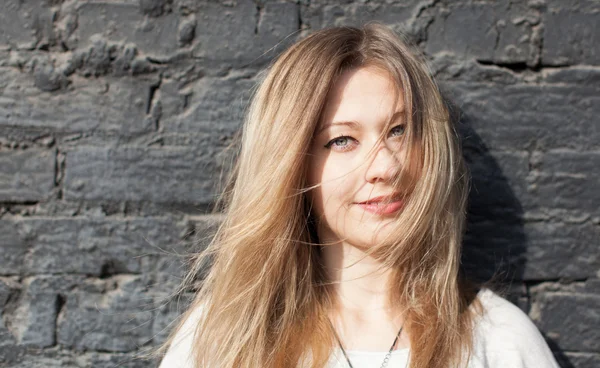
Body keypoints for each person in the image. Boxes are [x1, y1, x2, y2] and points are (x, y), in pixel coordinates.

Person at [155, 23, 560, 368]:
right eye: (343, 140)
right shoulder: (222, 341)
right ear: (291, 165)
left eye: (399, 131)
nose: (385, 167)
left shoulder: (502, 343)